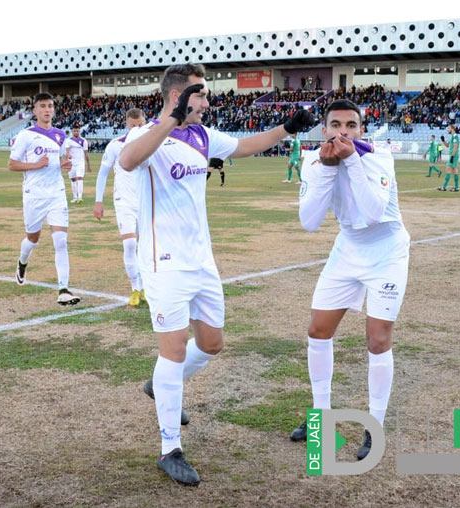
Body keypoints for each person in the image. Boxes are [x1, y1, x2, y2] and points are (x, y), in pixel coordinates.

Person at [117, 63, 315, 486]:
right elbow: (128, 159)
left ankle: (159, 385)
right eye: (200, 94)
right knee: (171, 351)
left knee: (211, 345)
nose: (207, 102)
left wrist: (288, 128)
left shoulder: (204, 137)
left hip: (202, 261)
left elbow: (244, 145)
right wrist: (171, 119)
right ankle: (170, 447)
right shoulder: (147, 135)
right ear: (178, 97)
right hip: (164, 262)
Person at [289, 99, 410, 461]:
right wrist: (327, 169)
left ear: (361, 130)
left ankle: (375, 425)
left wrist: (352, 160)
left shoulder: (379, 158)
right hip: (347, 249)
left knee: (377, 341)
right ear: (324, 130)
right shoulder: (312, 161)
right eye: (336, 125)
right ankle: (321, 419)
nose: (343, 131)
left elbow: (373, 213)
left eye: (351, 125)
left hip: (387, 251)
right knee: (318, 331)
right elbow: (309, 223)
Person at [8, 92, 80, 306]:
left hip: (56, 194)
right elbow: (12, 164)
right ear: (35, 110)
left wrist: (63, 164)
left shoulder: (60, 135)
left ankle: (63, 289)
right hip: (34, 196)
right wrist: (35, 165)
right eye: (43, 106)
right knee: (32, 239)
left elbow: (57, 161)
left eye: (50, 106)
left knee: (60, 240)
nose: (47, 109)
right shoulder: (26, 135)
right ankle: (22, 262)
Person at [93, 108, 147, 306]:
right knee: (130, 244)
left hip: (145, 202)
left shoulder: (153, 146)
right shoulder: (115, 146)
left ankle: (146, 287)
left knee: (146, 247)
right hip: (124, 201)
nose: (137, 129)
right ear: (127, 125)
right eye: (133, 126)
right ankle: (135, 288)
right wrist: (98, 201)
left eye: (140, 125)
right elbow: (102, 173)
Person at [63, 124, 92, 203]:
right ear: (72, 131)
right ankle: (75, 197)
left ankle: (80, 197)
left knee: (79, 178)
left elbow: (86, 153)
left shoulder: (83, 141)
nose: (76, 132)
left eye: (78, 131)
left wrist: (88, 165)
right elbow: (67, 151)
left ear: (79, 131)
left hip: (80, 163)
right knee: (73, 179)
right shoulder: (68, 140)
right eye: (75, 131)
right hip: (72, 163)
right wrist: (67, 160)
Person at [438, 125, 460, 192]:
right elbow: (447, 145)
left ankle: (444, 187)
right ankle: (456, 187)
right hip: (454, 155)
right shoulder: (452, 136)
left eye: (448, 128)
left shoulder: (455, 136)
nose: (447, 129)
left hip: (454, 155)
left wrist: (452, 156)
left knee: (448, 168)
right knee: (455, 170)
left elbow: (455, 146)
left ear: (452, 129)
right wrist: (443, 140)